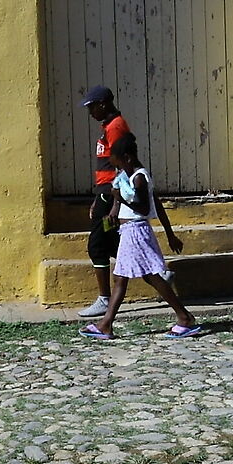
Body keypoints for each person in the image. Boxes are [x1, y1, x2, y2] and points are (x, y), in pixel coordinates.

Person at [83, 136, 203, 340]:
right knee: (129, 277)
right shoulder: (125, 175)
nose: (115, 166)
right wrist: (114, 209)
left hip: (137, 232)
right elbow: (118, 198)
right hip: (128, 232)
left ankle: (183, 317)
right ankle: (106, 324)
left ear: (127, 158)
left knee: (143, 276)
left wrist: (170, 234)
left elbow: (146, 208)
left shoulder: (140, 177)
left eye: (117, 162)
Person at [78, 86, 136, 318]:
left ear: (103, 103)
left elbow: (122, 163)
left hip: (109, 194)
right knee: (113, 244)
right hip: (103, 193)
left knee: (96, 246)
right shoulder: (108, 127)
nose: (91, 112)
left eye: (92, 107)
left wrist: (113, 201)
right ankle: (159, 273)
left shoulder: (116, 127)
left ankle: (104, 298)